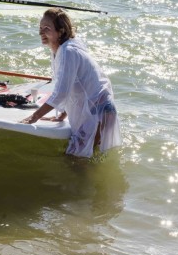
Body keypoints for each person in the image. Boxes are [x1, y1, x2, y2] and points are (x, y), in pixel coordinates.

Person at [21, 8, 121, 158]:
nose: (41, 32)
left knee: (76, 161)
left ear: (61, 31)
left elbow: (61, 93)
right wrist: (63, 114)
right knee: (87, 160)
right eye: (40, 27)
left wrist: (34, 116)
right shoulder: (60, 50)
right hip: (98, 109)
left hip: (98, 111)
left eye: (46, 28)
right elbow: (75, 86)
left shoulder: (68, 51)